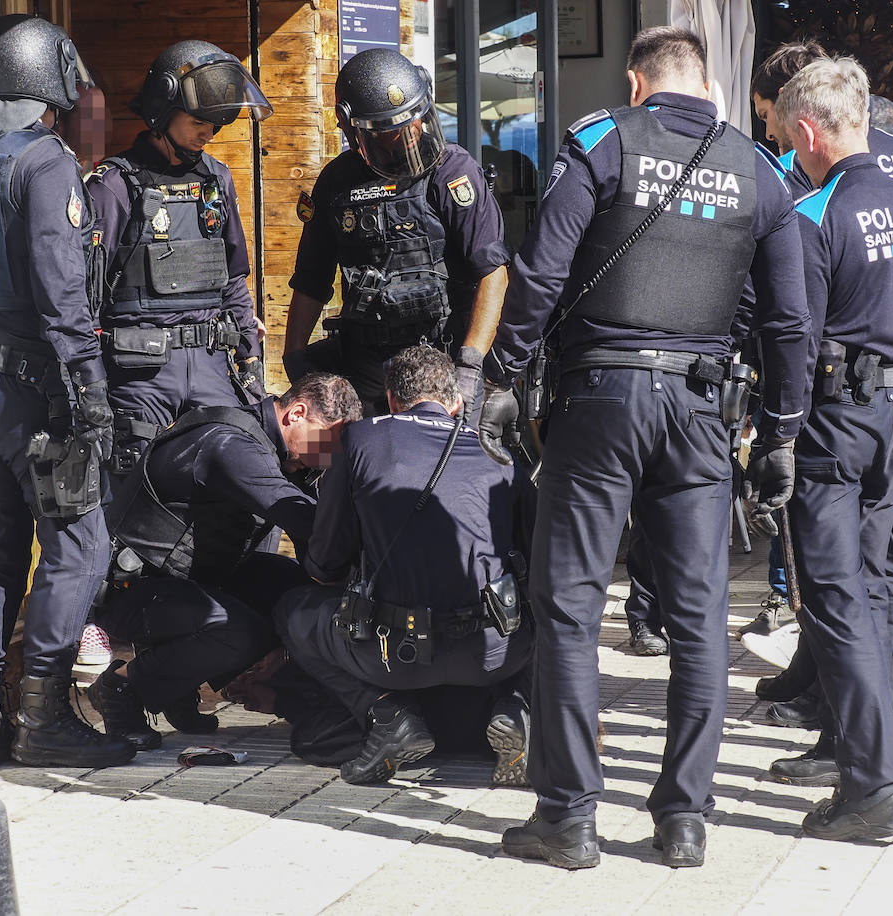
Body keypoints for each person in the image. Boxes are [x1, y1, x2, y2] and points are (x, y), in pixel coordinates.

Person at [494, 27, 813, 869]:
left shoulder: (602, 141)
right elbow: (788, 319)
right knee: (700, 615)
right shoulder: (757, 168)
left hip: (599, 398)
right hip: (701, 407)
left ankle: (567, 817)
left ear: (637, 84)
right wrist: (781, 430)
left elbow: (540, 272)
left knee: (568, 604)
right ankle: (684, 818)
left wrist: (501, 372)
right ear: (704, 83)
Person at [775, 55, 893, 841]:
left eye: (792, 137)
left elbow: (797, 333)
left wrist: (779, 431)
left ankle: (872, 787)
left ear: (812, 129)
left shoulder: (816, 213)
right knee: (874, 571)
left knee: (834, 595)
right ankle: (879, 743)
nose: (791, 150)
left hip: (836, 419)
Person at [0, 14, 134, 770]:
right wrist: (89, 388)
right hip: (28, 381)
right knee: (80, 542)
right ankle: (46, 714)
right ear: (44, 75)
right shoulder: (45, 160)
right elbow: (61, 289)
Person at [274, 346, 536, 786]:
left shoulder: (359, 440)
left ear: (392, 401)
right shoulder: (503, 457)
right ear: (456, 404)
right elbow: (536, 567)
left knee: (293, 610)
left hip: (392, 653)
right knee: (550, 612)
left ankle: (387, 713)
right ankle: (518, 706)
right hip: (494, 653)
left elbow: (323, 565)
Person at [89, 374, 362, 749]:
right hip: (131, 588)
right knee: (242, 631)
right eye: (327, 442)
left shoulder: (276, 448)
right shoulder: (231, 444)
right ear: (297, 413)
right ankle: (122, 687)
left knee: (293, 588)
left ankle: (180, 684)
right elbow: (304, 518)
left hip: (186, 578)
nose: (328, 457)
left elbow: (316, 539)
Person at [283, 48, 512, 437]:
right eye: (394, 134)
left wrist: (470, 367)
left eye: (415, 123)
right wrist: (294, 358)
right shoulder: (336, 184)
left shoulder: (453, 172)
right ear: (354, 133)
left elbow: (493, 274)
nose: (414, 135)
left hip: (442, 361)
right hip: (367, 367)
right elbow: (310, 282)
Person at [84, 40, 274, 475]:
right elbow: (83, 295)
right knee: (133, 494)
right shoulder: (114, 185)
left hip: (212, 366)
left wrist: (249, 360)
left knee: (239, 480)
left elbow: (233, 281)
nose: (208, 132)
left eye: (216, 123)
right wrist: (88, 380)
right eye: (198, 121)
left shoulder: (217, 179)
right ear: (162, 112)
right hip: (141, 375)